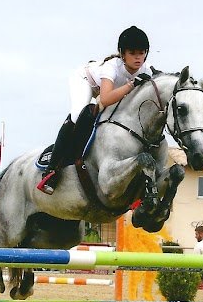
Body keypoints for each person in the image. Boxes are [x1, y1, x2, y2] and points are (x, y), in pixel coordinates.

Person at [37, 25, 154, 194]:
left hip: (112, 90)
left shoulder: (147, 69)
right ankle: (52, 169)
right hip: (86, 81)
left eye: (142, 53)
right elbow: (105, 99)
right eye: (133, 53)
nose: (138, 58)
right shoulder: (112, 67)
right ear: (123, 54)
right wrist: (131, 85)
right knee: (79, 114)